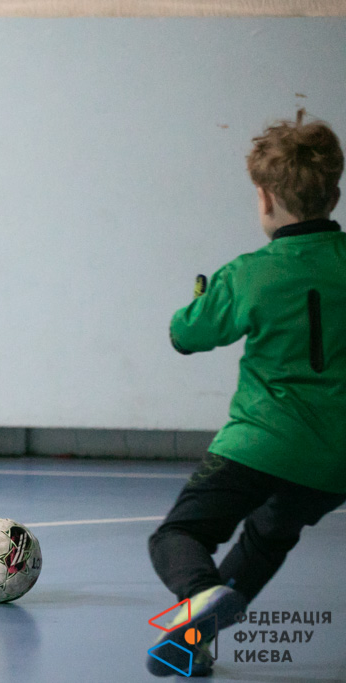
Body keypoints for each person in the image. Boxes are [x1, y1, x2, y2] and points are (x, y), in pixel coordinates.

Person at [147, 113, 345, 677]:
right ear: (333, 194)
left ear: (264, 198)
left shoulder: (249, 273)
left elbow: (185, 335)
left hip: (259, 443)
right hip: (334, 461)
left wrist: (200, 296)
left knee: (179, 534)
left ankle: (199, 594)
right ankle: (191, 642)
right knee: (269, 536)